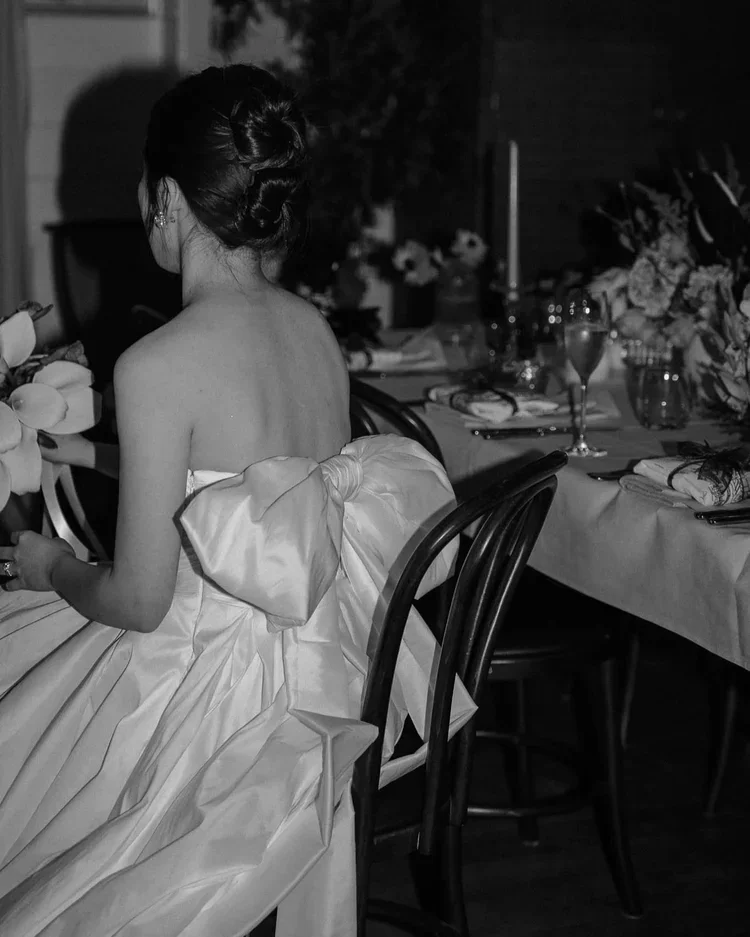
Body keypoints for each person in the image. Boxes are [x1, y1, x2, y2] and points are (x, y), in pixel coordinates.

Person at [0, 65, 473, 936]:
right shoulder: (311, 330)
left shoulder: (156, 364)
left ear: (168, 197)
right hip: (333, 678)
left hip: (220, 706)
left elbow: (140, 601)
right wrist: (84, 449)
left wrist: (50, 562)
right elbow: (241, 480)